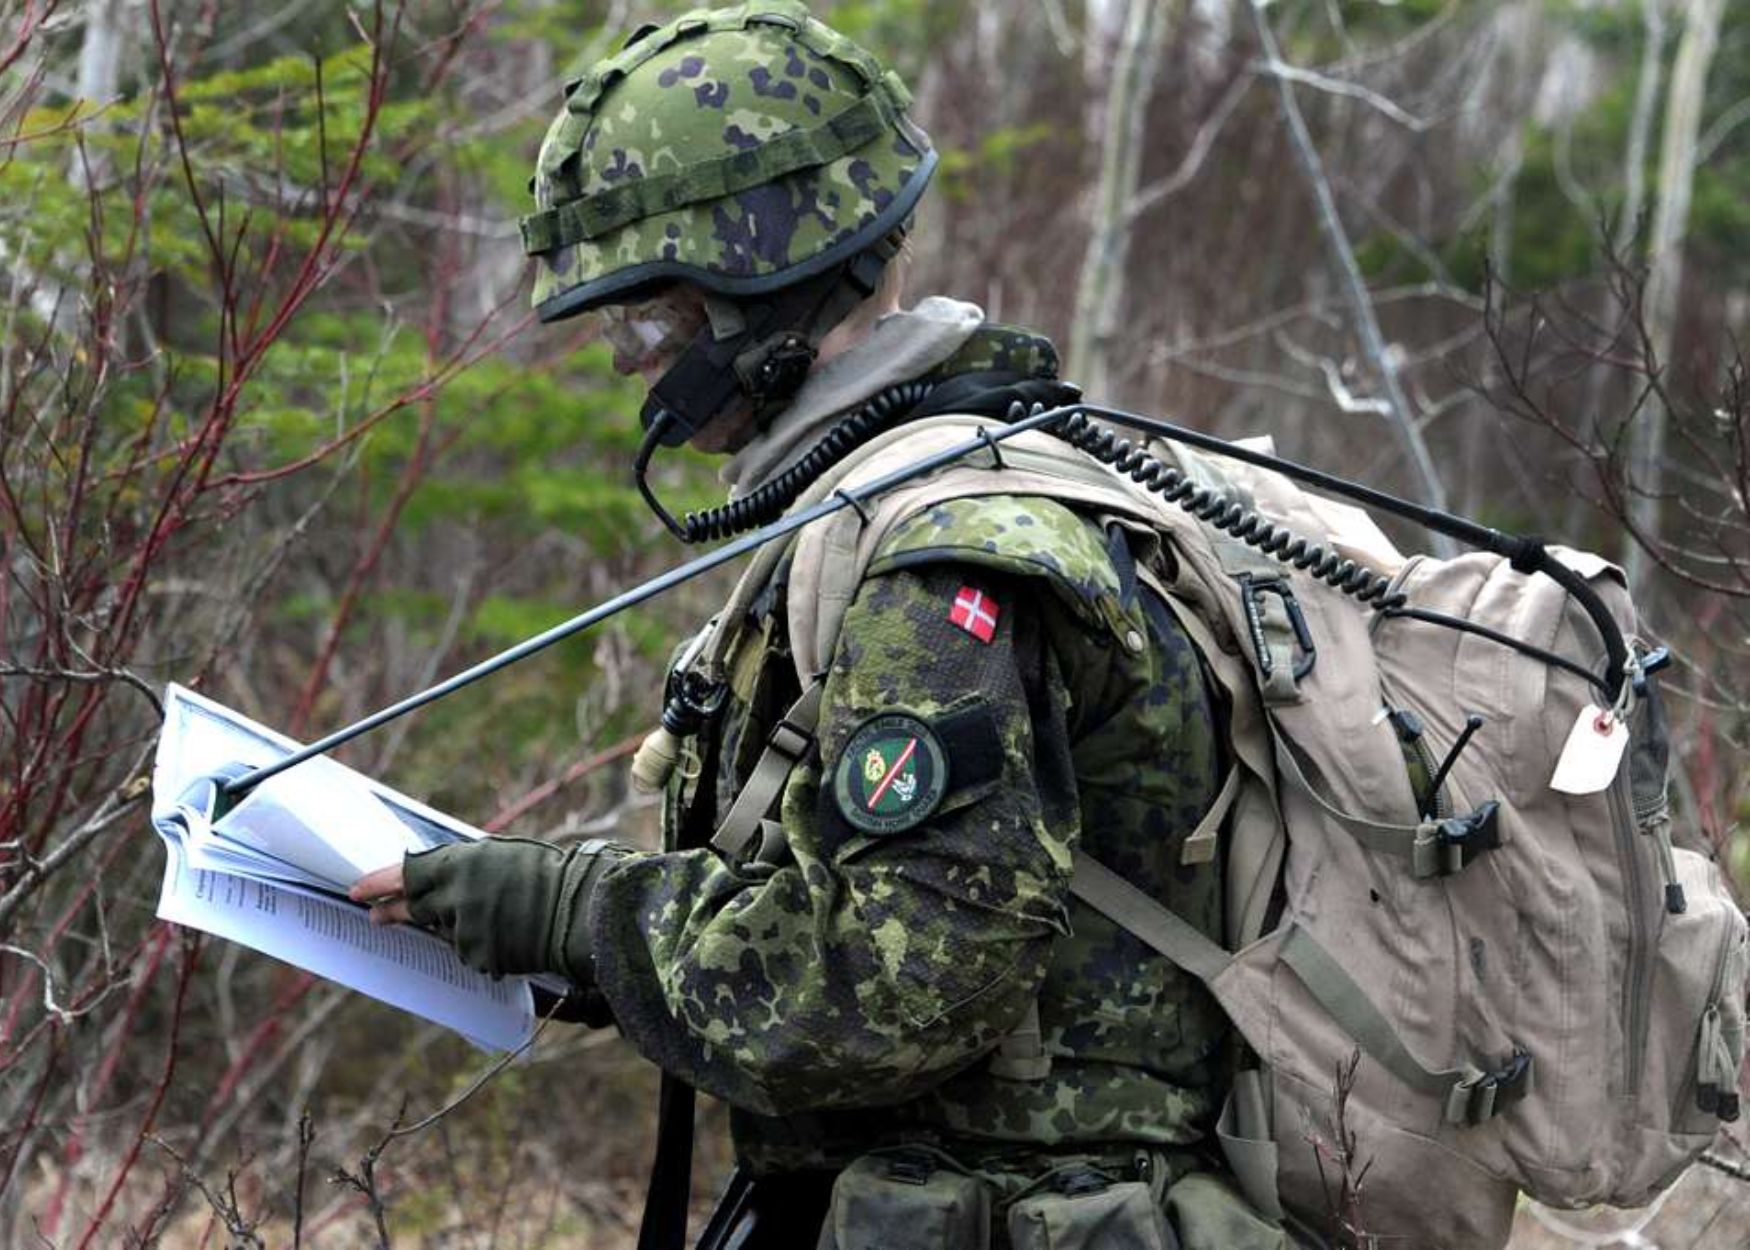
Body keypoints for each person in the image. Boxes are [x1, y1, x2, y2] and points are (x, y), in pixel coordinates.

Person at [353, 4, 1290, 1247]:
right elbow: (827, 896)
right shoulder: (893, 499)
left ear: (762, 291)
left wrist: (570, 908)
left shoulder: (941, 563)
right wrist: (549, 934)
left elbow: (890, 979)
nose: (633, 366)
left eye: (649, 321)